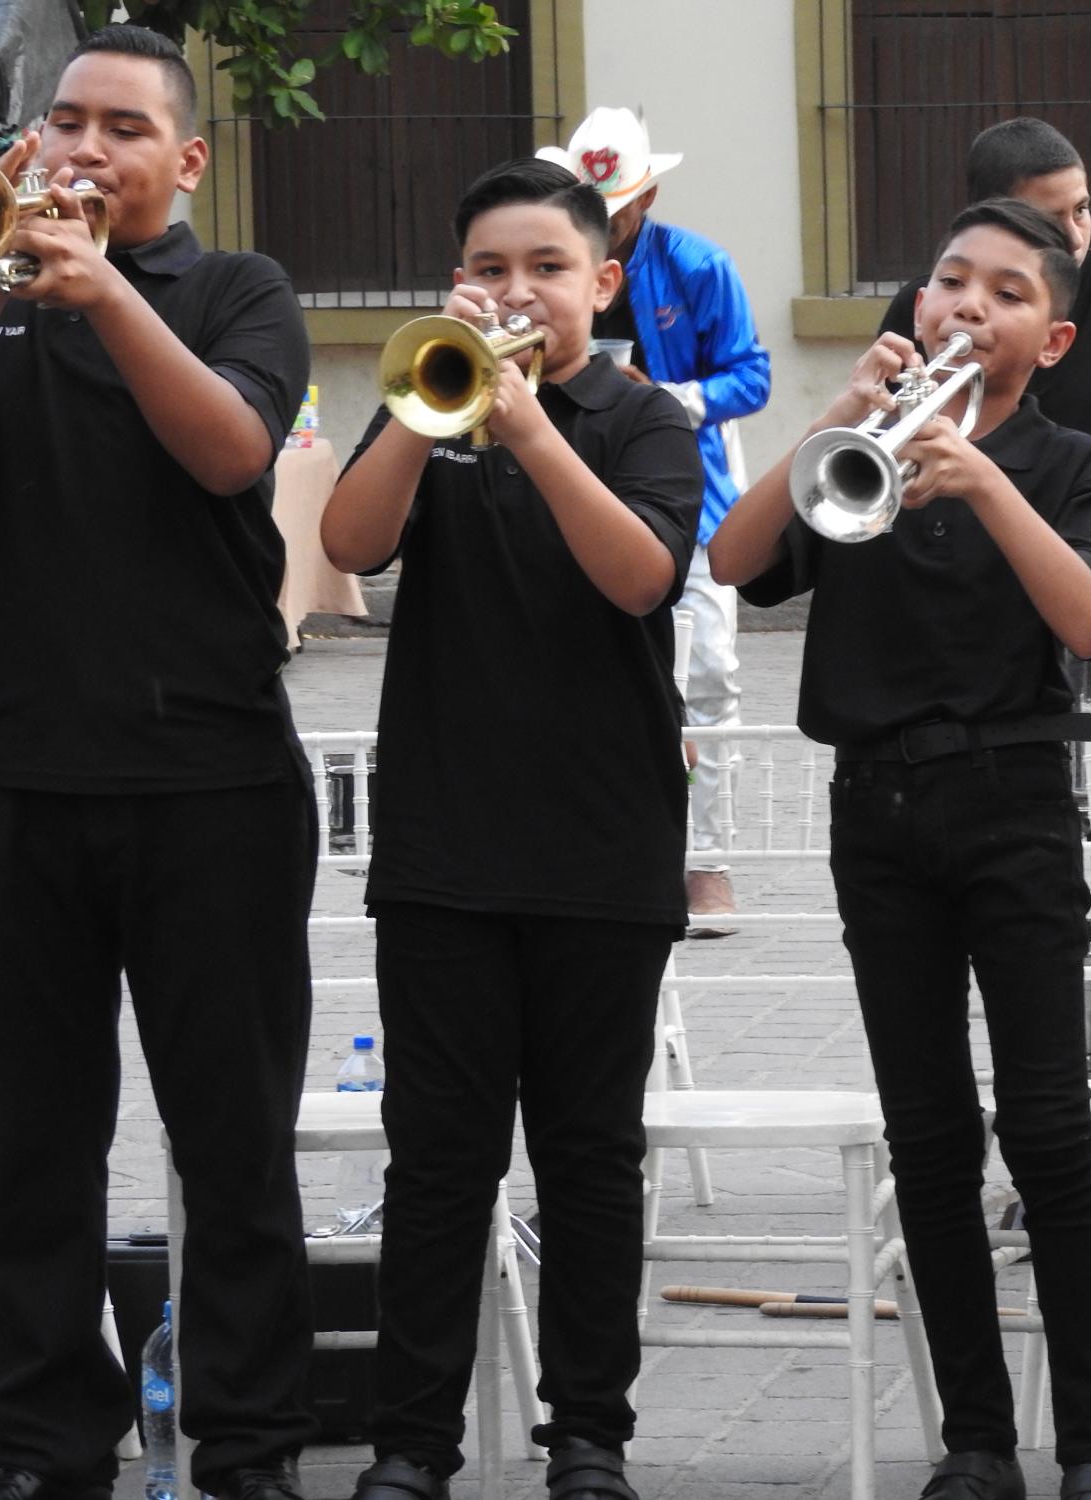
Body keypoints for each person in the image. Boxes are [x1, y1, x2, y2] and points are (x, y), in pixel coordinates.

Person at [710, 197, 1091, 1500]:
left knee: (1051, 1134)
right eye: (950, 279)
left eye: (1006, 292)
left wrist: (985, 477)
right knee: (930, 1135)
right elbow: (730, 560)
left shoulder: (1065, 464)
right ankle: (976, 1443)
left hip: (1014, 803)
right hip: (877, 816)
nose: (967, 304)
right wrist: (840, 422)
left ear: (1050, 338)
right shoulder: (863, 454)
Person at [0, 26, 316, 1500]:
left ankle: (247, 1445)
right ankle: (49, 1446)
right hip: (8, 778)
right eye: (64, 121)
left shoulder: (239, 290)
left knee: (234, 1145)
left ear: (187, 159)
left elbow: (233, 451)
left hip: (212, 782)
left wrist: (102, 289)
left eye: (122, 127)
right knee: (35, 1150)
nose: (82, 149)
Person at [320, 157, 702, 1500]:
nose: (517, 291)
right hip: (443, 854)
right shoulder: (429, 397)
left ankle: (587, 1437)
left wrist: (532, 425)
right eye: (491, 269)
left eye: (548, 268)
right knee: (440, 1162)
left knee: (590, 1158)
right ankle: (411, 1446)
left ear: (603, 282)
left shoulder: (643, 417)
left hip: (604, 850)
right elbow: (351, 544)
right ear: (457, 283)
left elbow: (641, 577)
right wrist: (432, 415)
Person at [878, 116, 1091, 1276]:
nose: (1082, 228)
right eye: (1057, 212)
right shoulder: (931, 306)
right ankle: (1042, 1160)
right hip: (976, 653)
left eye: (1083, 208)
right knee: (1018, 918)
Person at [539, 106, 770, 936]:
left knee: (706, 677)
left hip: (690, 497)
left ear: (648, 198)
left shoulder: (701, 267)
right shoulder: (546, 265)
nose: (602, 220)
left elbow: (752, 377)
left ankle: (704, 864)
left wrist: (665, 400)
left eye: (618, 205)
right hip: (568, 494)